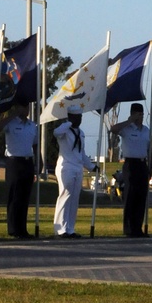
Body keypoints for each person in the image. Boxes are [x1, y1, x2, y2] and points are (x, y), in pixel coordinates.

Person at [53, 102, 94, 237]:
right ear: (71, 117)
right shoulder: (64, 130)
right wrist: (69, 123)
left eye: (80, 117)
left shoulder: (80, 133)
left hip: (77, 167)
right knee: (65, 195)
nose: (79, 120)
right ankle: (60, 228)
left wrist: (92, 166)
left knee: (74, 198)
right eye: (77, 117)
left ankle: (70, 228)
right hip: (66, 167)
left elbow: (81, 153)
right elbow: (56, 132)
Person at [112, 103, 152, 238]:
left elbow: (149, 148)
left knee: (141, 197)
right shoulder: (127, 129)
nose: (139, 117)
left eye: (141, 115)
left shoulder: (146, 130)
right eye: (137, 114)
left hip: (142, 164)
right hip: (130, 164)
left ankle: (138, 228)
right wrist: (129, 121)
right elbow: (113, 129)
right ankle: (129, 228)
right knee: (130, 196)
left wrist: (151, 166)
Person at [3, 99, 37, 238]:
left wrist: (38, 161)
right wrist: (13, 114)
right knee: (14, 197)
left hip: (27, 161)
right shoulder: (11, 123)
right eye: (23, 106)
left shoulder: (32, 125)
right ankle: (13, 229)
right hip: (14, 162)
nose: (26, 109)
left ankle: (22, 229)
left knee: (24, 197)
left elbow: (35, 144)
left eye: (27, 106)